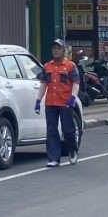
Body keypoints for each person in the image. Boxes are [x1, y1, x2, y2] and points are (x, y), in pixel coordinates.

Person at [35, 38, 79, 167]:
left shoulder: (70, 66)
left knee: (68, 130)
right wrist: (38, 101)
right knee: (52, 131)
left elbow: (76, 83)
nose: (56, 50)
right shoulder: (47, 66)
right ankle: (54, 158)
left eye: (59, 48)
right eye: (54, 48)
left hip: (65, 103)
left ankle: (72, 149)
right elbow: (43, 84)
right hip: (51, 103)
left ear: (63, 50)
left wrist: (72, 98)